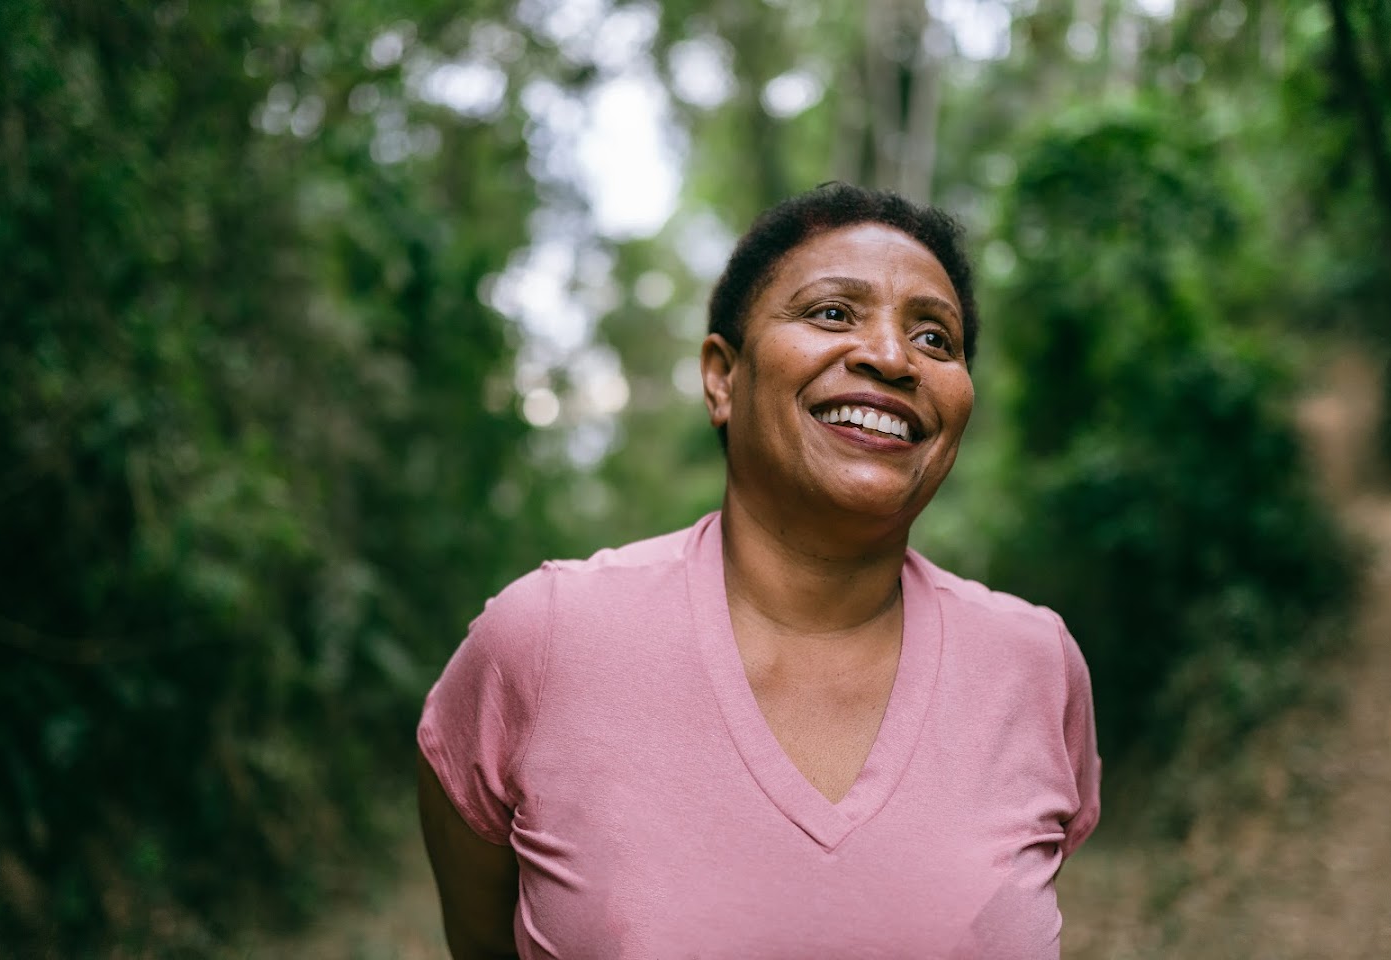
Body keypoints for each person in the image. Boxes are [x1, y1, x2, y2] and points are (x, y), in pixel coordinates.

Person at [417, 183, 1101, 959]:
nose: (890, 356)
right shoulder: (542, 640)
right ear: (722, 378)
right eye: (833, 313)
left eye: (936, 339)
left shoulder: (1034, 666)